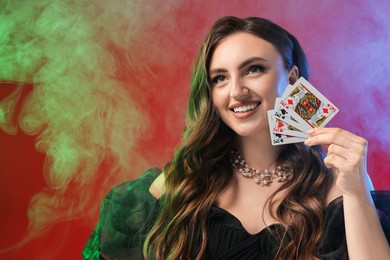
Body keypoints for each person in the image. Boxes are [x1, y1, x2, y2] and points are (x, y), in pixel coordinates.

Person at [82, 16, 390, 259]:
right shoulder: (182, 184)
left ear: (293, 78)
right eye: (220, 78)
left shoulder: (339, 187)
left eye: (254, 69)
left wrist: (355, 191)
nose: (236, 92)